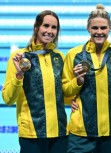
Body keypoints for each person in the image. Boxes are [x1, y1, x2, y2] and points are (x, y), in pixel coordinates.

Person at [62, 4, 111, 153]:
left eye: (103, 28)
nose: (99, 32)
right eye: (95, 28)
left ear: (110, 28)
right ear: (88, 28)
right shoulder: (74, 54)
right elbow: (64, 90)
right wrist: (78, 82)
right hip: (81, 131)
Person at [2, 10, 68, 153]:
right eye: (46, 26)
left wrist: (76, 94)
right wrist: (19, 75)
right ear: (36, 27)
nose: (49, 31)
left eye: (54, 27)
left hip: (60, 133)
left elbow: (65, 94)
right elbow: (7, 99)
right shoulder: (19, 57)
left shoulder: (59, 58)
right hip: (31, 134)